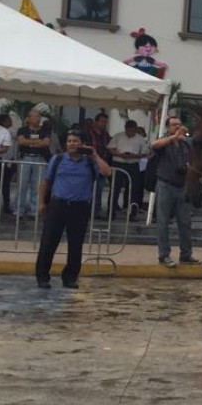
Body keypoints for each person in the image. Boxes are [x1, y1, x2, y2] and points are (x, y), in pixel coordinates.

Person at [34, 130, 112, 289]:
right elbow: (46, 182)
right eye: (69, 141)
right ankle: (42, 277)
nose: (71, 144)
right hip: (58, 205)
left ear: (82, 144)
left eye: (75, 141)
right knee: (48, 242)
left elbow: (107, 172)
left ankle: (70, 278)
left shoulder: (89, 162)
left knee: (76, 245)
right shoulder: (58, 159)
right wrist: (41, 203)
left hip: (80, 207)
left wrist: (94, 155)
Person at [150, 116, 199, 267]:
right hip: (165, 184)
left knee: (185, 222)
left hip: (182, 186)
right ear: (168, 128)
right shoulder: (164, 140)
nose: (177, 127)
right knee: (163, 222)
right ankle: (164, 254)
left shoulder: (186, 143)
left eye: (179, 124)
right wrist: (174, 137)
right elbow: (154, 145)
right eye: (173, 125)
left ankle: (186, 254)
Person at [107, 120, 148, 220]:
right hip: (118, 163)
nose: (130, 133)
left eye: (133, 131)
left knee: (134, 189)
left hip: (133, 164)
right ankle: (111, 213)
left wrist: (135, 155)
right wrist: (120, 154)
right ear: (125, 129)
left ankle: (132, 214)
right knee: (115, 188)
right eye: (128, 131)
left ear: (136, 130)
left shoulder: (140, 139)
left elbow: (145, 152)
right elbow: (110, 148)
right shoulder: (118, 136)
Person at [15, 109, 53, 217]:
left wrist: (29, 143)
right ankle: (19, 210)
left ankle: (34, 210)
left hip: (40, 158)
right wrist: (38, 142)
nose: (37, 118)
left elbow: (46, 143)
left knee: (37, 185)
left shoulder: (45, 130)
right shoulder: (22, 130)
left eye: (38, 116)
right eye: (34, 116)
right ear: (29, 118)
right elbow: (21, 141)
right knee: (22, 184)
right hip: (26, 158)